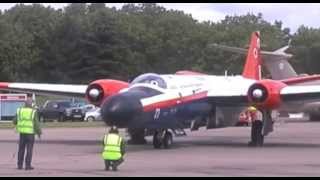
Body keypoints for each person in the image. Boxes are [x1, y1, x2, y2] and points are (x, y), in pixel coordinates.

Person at [13, 98, 41, 170]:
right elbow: (36, 124)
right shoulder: (33, 112)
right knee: (29, 149)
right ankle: (27, 166)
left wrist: (19, 124)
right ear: (31, 104)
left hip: (22, 133)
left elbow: (14, 121)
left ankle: (19, 165)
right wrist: (39, 133)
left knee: (21, 149)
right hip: (30, 134)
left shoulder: (19, 110)